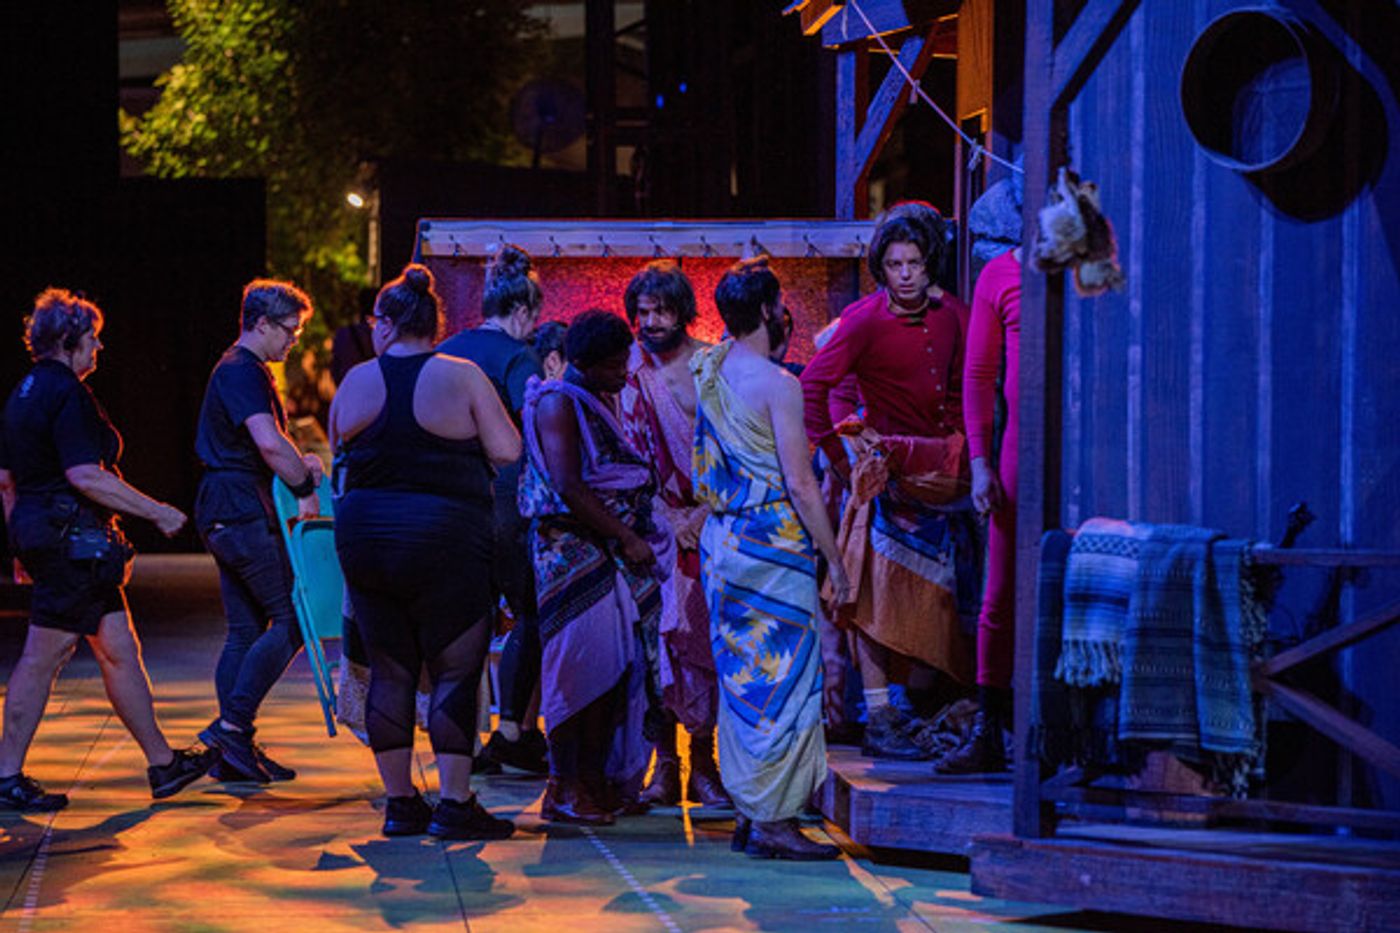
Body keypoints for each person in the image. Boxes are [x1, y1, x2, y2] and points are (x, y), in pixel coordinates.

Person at [0, 289, 217, 810]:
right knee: (41, 657)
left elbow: (7, 482)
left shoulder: (23, 392)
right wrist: (159, 511)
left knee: (119, 651)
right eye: (93, 337)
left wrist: (20, 546)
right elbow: (84, 475)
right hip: (71, 543)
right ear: (71, 340)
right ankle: (5, 775)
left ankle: (163, 764)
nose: (100, 346)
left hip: (50, 537)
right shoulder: (66, 394)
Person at [330, 264, 522, 839]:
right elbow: (508, 449)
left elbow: (342, 445)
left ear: (388, 324)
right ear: (434, 324)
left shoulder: (357, 380)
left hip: (366, 538)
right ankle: (455, 806)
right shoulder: (461, 376)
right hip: (445, 539)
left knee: (389, 666)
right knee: (454, 672)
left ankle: (400, 804)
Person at [800, 204, 978, 760]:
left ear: (931, 266)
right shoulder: (863, 318)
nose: (904, 273)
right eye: (894, 263)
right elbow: (813, 385)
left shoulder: (955, 315)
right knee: (869, 592)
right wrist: (841, 456)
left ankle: (921, 708)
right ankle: (878, 713)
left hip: (942, 477)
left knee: (936, 595)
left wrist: (957, 448)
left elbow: (965, 386)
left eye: (914, 263)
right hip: (882, 480)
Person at [692, 259, 852, 860]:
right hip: (773, 547)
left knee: (743, 682)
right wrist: (834, 560)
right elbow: (802, 484)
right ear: (767, 311)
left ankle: (752, 808)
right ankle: (775, 818)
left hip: (725, 545)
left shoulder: (711, 369)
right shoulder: (779, 383)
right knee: (785, 678)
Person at [519, 309, 672, 825]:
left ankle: (596, 779)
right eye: (612, 366)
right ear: (582, 363)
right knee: (578, 670)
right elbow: (567, 484)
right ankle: (564, 786)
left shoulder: (594, 398)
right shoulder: (559, 402)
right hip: (572, 552)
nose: (622, 374)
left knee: (612, 670)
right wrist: (626, 534)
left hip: (601, 550)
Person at [193, 279, 322, 782]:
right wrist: (305, 479)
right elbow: (269, 443)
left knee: (246, 629)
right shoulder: (242, 371)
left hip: (226, 505)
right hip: (240, 507)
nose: (294, 340)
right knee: (292, 620)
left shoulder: (239, 369)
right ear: (262, 324)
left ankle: (235, 752)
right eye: (290, 330)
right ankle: (233, 727)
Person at [617, 261, 730, 810]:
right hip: (652, 530)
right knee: (654, 646)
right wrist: (666, 517)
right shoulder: (628, 373)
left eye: (661, 311)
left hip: (712, 524)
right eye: (642, 312)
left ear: (683, 313)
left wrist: (702, 515)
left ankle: (704, 765)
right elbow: (623, 460)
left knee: (704, 643)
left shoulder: (712, 366)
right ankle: (666, 767)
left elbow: (735, 449)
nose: (651, 321)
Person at [436, 245, 548, 775]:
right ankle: (510, 732)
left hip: (452, 500)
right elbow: (531, 432)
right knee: (528, 611)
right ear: (524, 312)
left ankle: (465, 738)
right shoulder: (518, 356)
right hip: (506, 498)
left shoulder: (450, 348)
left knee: (467, 622)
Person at [944, 239, 1022, 774]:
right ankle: (990, 727)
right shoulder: (999, 273)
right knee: (1001, 588)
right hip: (1019, 450)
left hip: (1091, 443)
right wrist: (979, 462)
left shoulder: (1092, 263)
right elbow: (977, 377)